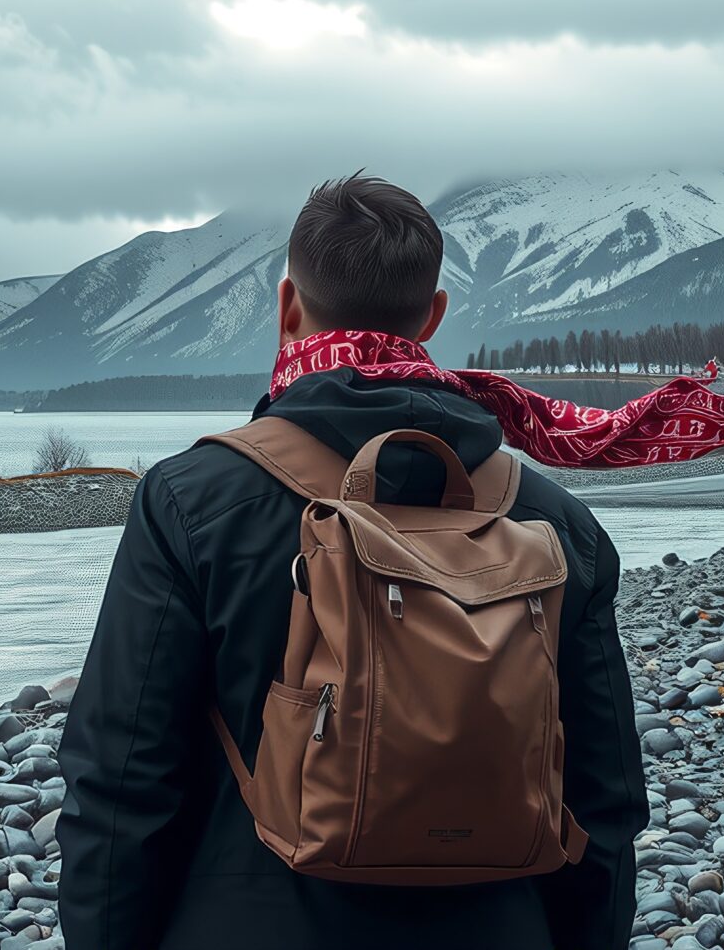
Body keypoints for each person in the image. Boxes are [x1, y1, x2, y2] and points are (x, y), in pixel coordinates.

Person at [57, 174, 648, 950]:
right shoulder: (555, 523)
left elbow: (120, 778)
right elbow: (602, 806)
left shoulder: (190, 500)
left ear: (287, 309)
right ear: (432, 316)